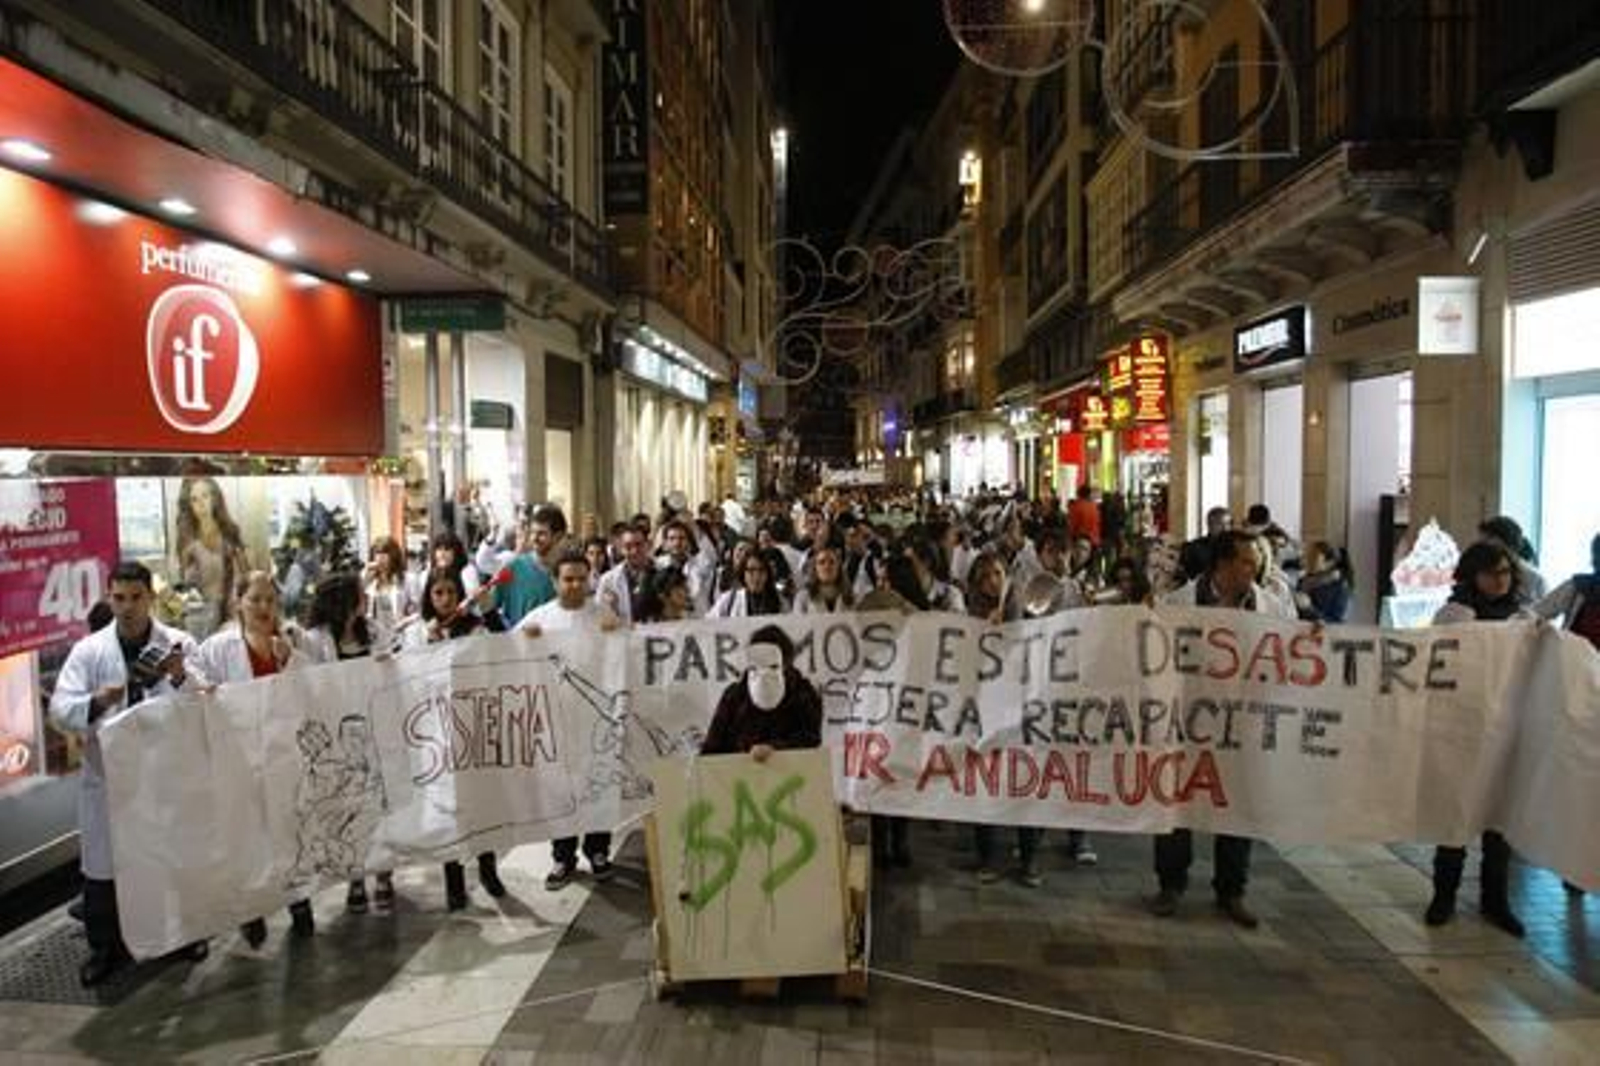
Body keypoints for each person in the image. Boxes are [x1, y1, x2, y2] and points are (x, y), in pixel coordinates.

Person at [50, 562, 203, 986]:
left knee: (170, 860)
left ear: (150, 598)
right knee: (104, 873)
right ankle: (105, 950)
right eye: (119, 598)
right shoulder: (90, 652)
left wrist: (179, 676)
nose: (128, 607)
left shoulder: (179, 643)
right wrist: (97, 702)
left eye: (136, 597)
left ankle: (183, 936)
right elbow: (60, 708)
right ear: (109, 598)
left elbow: (209, 700)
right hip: (109, 781)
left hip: (163, 777)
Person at [1151, 530, 1296, 929]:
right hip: (1186, 724)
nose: (1254, 570)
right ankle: (1171, 883)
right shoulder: (1177, 605)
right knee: (1176, 802)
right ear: (1222, 566)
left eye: (1256, 562)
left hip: (1242, 724)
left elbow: (1290, 653)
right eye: (1246, 562)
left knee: (1236, 805)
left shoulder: (1272, 607)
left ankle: (1231, 889)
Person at [189, 571, 314, 945]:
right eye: (255, 599)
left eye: (270, 600)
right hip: (239, 762)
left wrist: (290, 660)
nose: (263, 607)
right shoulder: (218, 648)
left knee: (289, 832)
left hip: (283, 757)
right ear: (238, 603)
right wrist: (201, 688)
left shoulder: (292, 643)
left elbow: (320, 683)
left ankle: (298, 901)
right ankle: (252, 909)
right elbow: (196, 681)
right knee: (247, 836)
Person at [1424, 540, 1529, 937]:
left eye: (1505, 573)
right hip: (1462, 726)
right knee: (1456, 815)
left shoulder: (1521, 616)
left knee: (1498, 821)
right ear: (1473, 574)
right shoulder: (1454, 614)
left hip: (1506, 727)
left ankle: (1495, 900)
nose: (1499, 581)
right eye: (1491, 573)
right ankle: (1444, 897)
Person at [296, 572, 398, 915]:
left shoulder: (374, 632)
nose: (365, 600)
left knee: (380, 807)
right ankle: (356, 877)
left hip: (376, 729)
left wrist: (388, 665)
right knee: (350, 809)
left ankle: (384, 873)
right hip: (341, 735)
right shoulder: (314, 641)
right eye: (359, 595)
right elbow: (307, 684)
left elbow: (395, 664)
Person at [520, 552, 622, 889]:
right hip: (555, 719)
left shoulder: (603, 615)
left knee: (598, 783)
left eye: (581, 578)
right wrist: (525, 641)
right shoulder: (538, 619)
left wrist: (619, 632)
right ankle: (562, 856)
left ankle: (598, 850)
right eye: (568, 579)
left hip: (595, 719)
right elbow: (506, 654)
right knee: (559, 789)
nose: (575, 585)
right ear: (555, 581)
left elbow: (624, 656)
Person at [412, 566, 511, 911]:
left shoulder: (475, 629)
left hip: (474, 724)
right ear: (429, 596)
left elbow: (503, 650)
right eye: (437, 593)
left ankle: (488, 870)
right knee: (447, 808)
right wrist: (426, 643)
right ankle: (453, 881)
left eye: (450, 593)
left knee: (481, 803)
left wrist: (486, 611)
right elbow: (405, 675)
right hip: (439, 732)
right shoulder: (418, 633)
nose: (444, 599)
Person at [966, 552, 1044, 886]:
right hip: (984, 712)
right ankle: (988, 857)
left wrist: (1013, 629)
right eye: (985, 577)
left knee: (1026, 784)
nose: (993, 582)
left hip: (1022, 710)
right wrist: (983, 631)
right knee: (986, 785)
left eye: (997, 573)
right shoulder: (966, 615)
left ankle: (1029, 859)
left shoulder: (1025, 610)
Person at [701, 626, 822, 758]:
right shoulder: (734, 696)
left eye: (773, 665)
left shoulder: (803, 693)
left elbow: (810, 739)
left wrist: (775, 749)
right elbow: (712, 748)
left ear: (786, 662)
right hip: (737, 775)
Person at [175, 475, 249, 638]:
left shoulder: (230, 533)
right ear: (189, 505)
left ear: (214, 498)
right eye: (194, 499)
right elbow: (185, 585)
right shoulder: (187, 540)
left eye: (205, 496)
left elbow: (245, 576)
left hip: (232, 614)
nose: (200, 503)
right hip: (200, 619)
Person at [1479, 516, 1547, 603]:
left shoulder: (1535, 579)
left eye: (1488, 542)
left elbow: (1544, 612)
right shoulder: (1480, 574)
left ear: (1509, 545)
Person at [597, 525, 657, 624]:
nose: (634, 551)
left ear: (648, 545)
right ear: (621, 549)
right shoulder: (608, 580)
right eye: (628, 547)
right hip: (625, 635)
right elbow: (598, 615)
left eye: (639, 545)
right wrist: (610, 609)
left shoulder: (663, 572)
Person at [364, 536, 414, 651]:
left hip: (402, 638)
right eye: (377, 553)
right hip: (376, 641)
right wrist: (364, 576)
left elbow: (419, 610)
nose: (380, 558)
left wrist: (404, 622)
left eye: (385, 553)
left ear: (394, 555)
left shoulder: (408, 579)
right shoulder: (370, 582)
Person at [708, 547, 787, 617]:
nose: (756, 576)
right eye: (751, 570)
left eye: (761, 570)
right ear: (743, 574)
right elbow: (708, 623)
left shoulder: (779, 601)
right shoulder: (729, 600)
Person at [1296, 541, 1353, 623]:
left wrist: (1309, 609)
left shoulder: (1340, 588)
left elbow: (1336, 623)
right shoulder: (1303, 580)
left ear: (1329, 563)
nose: (1307, 560)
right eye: (1307, 555)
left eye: (1313, 557)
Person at [794, 544, 855, 614]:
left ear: (839, 568)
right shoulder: (802, 597)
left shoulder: (851, 597)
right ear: (815, 568)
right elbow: (798, 623)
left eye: (832, 562)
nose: (827, 567)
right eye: (822, 562)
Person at [1179, 506, 1231, 584]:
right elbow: (1184, 574)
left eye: (1228, 524)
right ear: (1209, 525)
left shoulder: (1236, 547)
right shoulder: (1194, 547)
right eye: (1219, 524)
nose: (1225, 529)